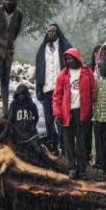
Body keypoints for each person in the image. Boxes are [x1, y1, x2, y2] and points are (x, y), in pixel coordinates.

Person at [53, 48, 95, 179]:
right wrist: (57, 112)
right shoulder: (63, 75)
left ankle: (82, 168)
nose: (69, 61)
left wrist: (92, 109)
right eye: (67, 59)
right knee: (68, 141)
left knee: (82, 142)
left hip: (82, 112)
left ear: (77, 58)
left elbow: (93, 92)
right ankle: (72, 168)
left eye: (71, 58)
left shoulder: (87, 73)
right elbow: (57, 95)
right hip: (67, 112)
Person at [34, 23, 71, 153]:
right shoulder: (42, 50)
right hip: (47, 89)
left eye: (54, 31)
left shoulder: (64, 47)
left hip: (61, 89)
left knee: (61, 117)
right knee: (49, 117)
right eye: (49, 31)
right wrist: (38, 88)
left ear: (58, 33)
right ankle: (52, 143)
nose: (51, 33)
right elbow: (39, 71)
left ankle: (64, 143)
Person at [0, 84, 50, 167]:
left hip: (31, 136)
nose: (21, 96)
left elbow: (36, 117)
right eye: (20, 94)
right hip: (18, 137)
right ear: (17, 94)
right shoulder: (14, 104)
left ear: (26, 95)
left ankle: (50, 166)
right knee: (22, 157)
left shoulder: (31, 105)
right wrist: (3, 136)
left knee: (40, 153)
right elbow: (9, 121)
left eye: (23, 94)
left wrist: (31, 127)